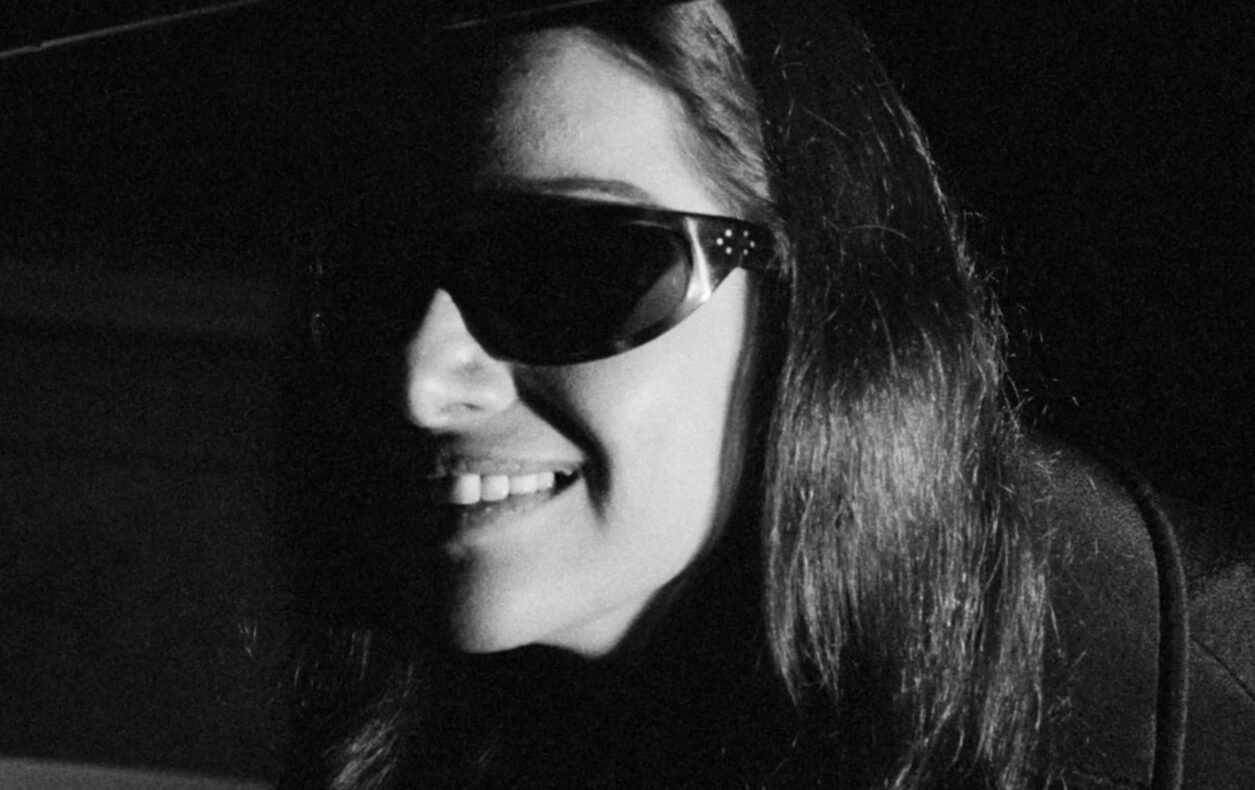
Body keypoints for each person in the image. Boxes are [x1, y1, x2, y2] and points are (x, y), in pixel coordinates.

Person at [276, 1, 1255, 788]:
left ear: (816, 299)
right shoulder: (475, 720)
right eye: (381, 270)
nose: (421, 379)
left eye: (562, 268)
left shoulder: (1198, 707)